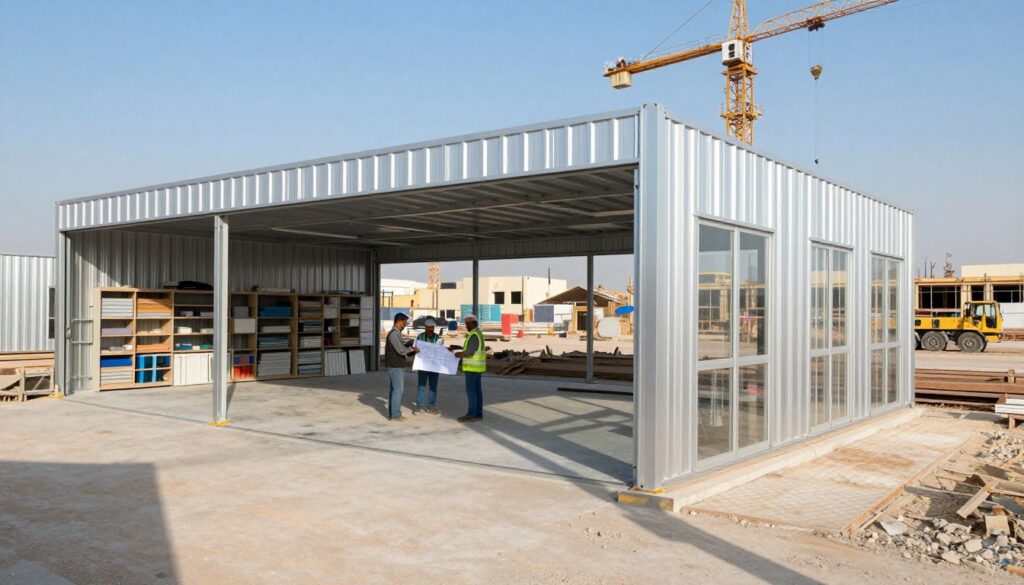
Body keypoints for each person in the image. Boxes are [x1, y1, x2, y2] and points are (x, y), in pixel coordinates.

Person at [450, 314, 486, 422]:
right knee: (477, 392)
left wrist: (459, 354)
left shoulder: (474, 335)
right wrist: (457, 348)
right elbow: (470, 348)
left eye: (467, 324)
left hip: (472, 368)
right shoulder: (477, 334)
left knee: (472, 392)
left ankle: (472, 414)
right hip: (477, 368)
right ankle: (478, 414)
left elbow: (469, 352)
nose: (466, 326)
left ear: (472, 323)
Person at [384, 313, 418, 421]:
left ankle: (393, 413)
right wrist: (412, 349)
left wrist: (408, 345)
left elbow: (401, 347)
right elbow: (401, 350)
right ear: (399, 321)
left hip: (395, 365)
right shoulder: (394, 334)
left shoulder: (397, 333)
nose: (405, 325)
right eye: (404, 322)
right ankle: (395, 415)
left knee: (394, 390)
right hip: (395, 366)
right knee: (398, 390)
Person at [413, 317, 443, 414]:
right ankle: (419, 406)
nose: (430, 329)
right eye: (428, 328)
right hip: (423, 366)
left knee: (433, 387)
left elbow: (441, 351)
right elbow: (415, 348)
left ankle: (432, 406)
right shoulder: (420, 337)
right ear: (425, 327)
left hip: (434, 366)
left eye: (431, 328)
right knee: (421, 386)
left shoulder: (438, 338)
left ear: (434, 328)